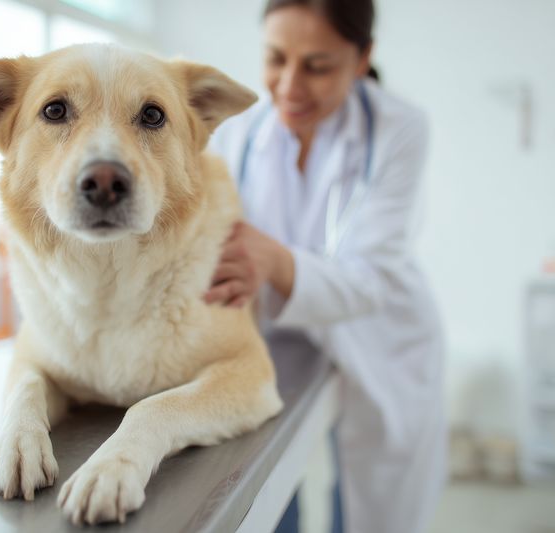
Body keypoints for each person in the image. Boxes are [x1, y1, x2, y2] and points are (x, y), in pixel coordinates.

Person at [206, 1, 446, 532]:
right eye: (275, 59)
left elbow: (368, 278)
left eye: (317, 66)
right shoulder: (235, 134)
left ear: (362, 59)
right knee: (263, 482)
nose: (290, 86)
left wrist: (272, 258)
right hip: (277, 333)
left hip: (381, 331)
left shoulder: (400, 128)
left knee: (373, 506)